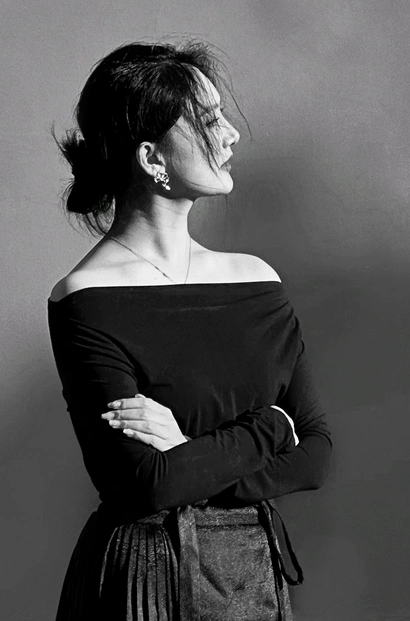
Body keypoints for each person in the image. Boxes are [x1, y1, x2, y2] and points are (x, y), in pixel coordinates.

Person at [46, 39, 333, 621]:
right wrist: (271, 427)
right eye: (206, 120)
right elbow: (149, 484)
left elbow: (317, 455)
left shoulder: (257, 283)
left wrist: (187, 455)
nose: (230, 135)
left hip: (254, 576)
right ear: (151, 158)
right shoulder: (85, 300)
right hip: (146, 580)